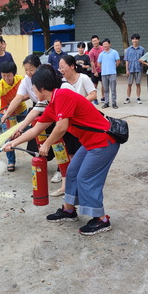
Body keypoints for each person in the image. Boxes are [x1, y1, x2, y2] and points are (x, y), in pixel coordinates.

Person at [2, 67, 121, 236]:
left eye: (33, 87)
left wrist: (46, 144)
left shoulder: (62, 95)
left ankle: (101, 220)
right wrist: (13, 143)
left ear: (42, 87)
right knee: (72, 171)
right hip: (90, 142)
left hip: (104, 142)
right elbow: (35, 129)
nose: (32, 91)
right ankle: (68, 210)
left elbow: (61, 127)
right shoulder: (52, 104)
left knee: (85, 177)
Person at [51, 55, 97, 197]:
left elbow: (93, 95)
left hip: (82, 121)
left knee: (80, 151)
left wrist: (78, 104)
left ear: (72, 66)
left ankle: (79, 180)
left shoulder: (83, 78)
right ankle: (67, 177)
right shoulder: (62, 82)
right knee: (68, 150)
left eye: (63, 67)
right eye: (59, 67)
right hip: (68, 121)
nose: (61, 70)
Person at [0, 61, 27, 172]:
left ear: (14, 74)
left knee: (30, 131)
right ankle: (11, 161)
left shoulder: (21, 80)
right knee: (8, 137)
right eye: (3, 75)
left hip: (21, 110)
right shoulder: (0, 85)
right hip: (7, 114)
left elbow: (29, 94)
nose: (6, 78)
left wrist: (18, 100)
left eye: (9, 75)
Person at [98, 38, 120, 109]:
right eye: (103, 44)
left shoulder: (114, 52)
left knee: (113, 89)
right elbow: (99, 63)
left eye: (106, 44)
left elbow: (118, 61)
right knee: (106, 90)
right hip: (104, 74)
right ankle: (106, 103)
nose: (105, 45)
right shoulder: (101, 54)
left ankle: (114, 103)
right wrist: (103, 68)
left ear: (109, 44)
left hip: (112, 73)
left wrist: (113, 67)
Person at [123, 33, 146, 104]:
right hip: (130, 69)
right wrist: (127, 70)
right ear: (131, 40)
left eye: (136, 39)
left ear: (138, 40)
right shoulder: (128, 50)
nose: (135, 40)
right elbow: (126, 60)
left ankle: (138, 97)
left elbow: (143, 59)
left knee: (138, 84)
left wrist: (142, 67)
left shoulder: (142, 49)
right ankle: (128, 97)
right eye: (133, 39)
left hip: (138, 69)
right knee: (129, 84)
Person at [88, 35, 104, 104]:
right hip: (95, 71)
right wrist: (95, 72)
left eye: (96, 40)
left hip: (103, 70)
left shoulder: (102, 49)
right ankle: (95, 98)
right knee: (94, 86)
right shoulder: (91, 51)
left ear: (98, 40)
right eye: (93, 41)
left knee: (104, 84)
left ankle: (103, 97)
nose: (95, 42)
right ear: (92, 42)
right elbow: (92, 62)